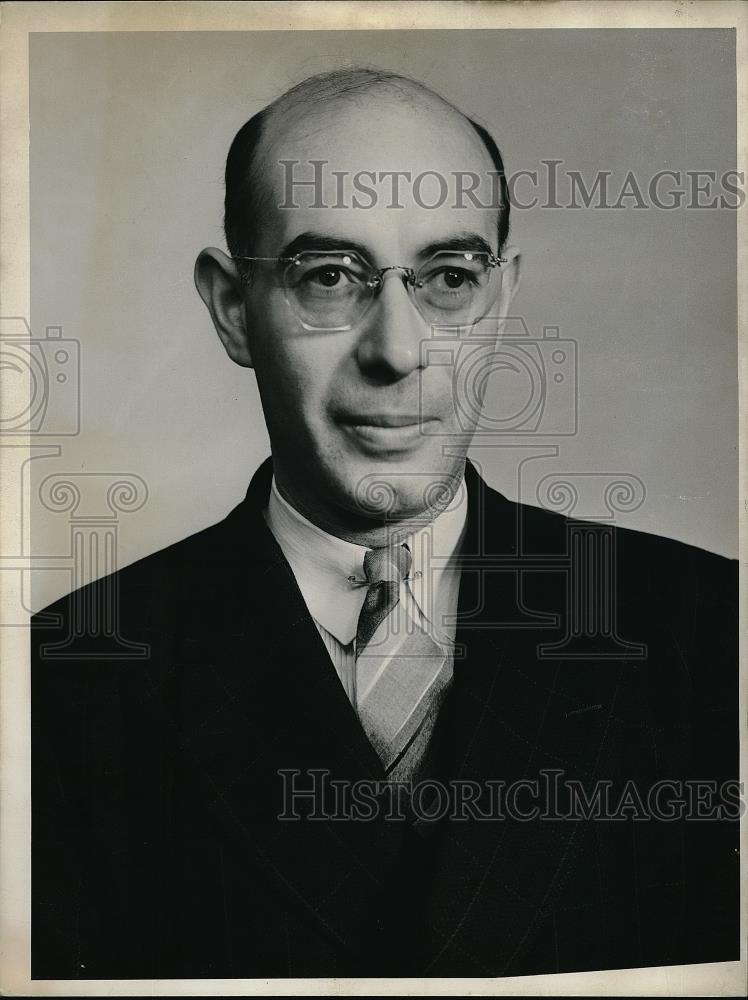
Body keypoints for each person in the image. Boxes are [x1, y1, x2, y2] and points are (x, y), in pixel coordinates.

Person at [31, 68, 739, 980]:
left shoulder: (710, 628)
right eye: (329, 276)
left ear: (503, 299)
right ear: (232, 308)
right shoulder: (65, 678)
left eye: (449, 277)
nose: (397, 350)